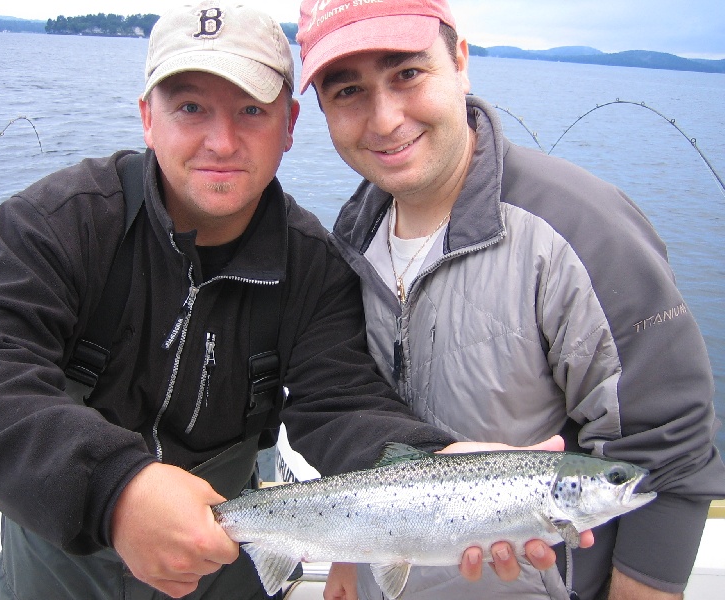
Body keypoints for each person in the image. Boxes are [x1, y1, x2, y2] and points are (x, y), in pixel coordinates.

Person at [0, 3, 570, 599]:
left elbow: (341, 403)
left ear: (290, 126)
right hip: (59, 549)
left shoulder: (312, 266)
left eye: (251, 111)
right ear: (148, 116)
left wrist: (437, 472)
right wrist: (116, 492)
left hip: (230, 553)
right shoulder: (61, 220)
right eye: (190, 109)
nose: (223, 142)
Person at [295, 1, 725, 599]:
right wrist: (347, 554)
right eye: (347, 92)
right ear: (321, 108)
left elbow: (669, 450)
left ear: (460, 60)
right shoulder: (348, 238)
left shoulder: (584, 229)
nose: (385, 119)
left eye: (407, 74)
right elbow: (346, 409)